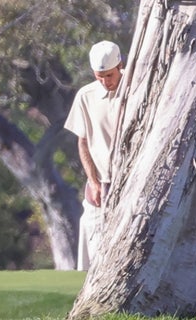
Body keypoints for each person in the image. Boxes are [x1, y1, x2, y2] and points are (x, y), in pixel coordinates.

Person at [64, 40, 123, 271]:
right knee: (92, 233)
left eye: (109, 75)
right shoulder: (85, 96)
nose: (105, 82)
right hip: (102, 180)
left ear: (120, 65)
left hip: (132, 177)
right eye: (99, 76)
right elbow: (83, 141)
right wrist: (93, 181)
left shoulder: (139, 87)